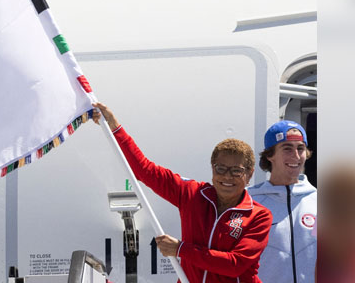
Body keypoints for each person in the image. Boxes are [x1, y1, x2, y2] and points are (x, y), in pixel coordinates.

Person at [92, 102, 272, 283]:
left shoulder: (259, 216)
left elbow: (234, 265)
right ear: (212, 169)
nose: (227, 177)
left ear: (249, 174)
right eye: (221, 169)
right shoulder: (192, 193)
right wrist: (115, 128)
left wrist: (181, 249)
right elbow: (143, 170)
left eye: (236, 171)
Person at [247, 121, 317, 283]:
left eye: (300, 148)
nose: (296, 155)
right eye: (287, 148)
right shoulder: (248, 201)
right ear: (269, 155)